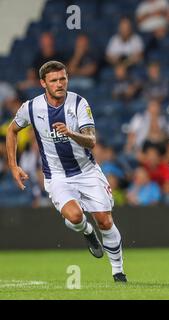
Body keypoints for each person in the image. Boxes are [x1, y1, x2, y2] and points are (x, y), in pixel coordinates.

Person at [5, 61, 127, 282]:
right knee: (75, 216)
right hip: (57, 176)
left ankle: (118, 271)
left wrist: (71, 133)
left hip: (87, 171)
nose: (60, 84)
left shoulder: (79, 103)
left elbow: (91, 140)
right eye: (54, 80)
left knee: (105, 221)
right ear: (43, 83)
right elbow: (12, 131)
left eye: (63, 79)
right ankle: (87, 231)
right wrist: (13, 165)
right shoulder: (31, 107)